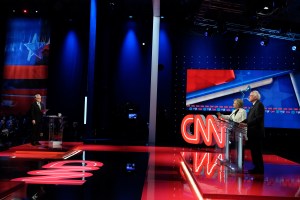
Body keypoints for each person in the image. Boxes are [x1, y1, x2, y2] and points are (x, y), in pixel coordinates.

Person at [241, 90, 265, 174]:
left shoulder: (259, 105)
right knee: (254, 152)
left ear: (255, 97)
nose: (249, 97)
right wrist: (242, 122)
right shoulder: (252, 106)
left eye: (250, 95)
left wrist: (246, 124)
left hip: (256, 133)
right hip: (252, 133)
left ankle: (259, 169)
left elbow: (258, 119)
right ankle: (256, 168)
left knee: (257, 152)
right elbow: (249, 119)